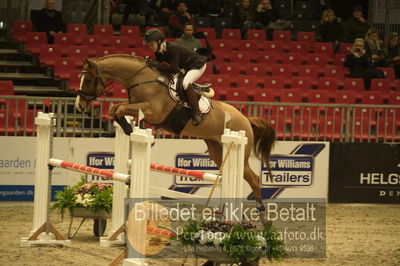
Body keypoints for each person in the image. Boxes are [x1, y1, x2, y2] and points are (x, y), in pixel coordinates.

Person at [144, 28, 208, 126]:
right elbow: (160, 64)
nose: (150, 47)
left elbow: (173, 69)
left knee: (185, 83)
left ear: (159, 41)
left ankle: (197, 113)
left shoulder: (172, 48)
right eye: (149, 45)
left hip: (197, 65)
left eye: (151, 44)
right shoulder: (159, 50)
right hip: (186, 67)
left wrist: (155, 64)